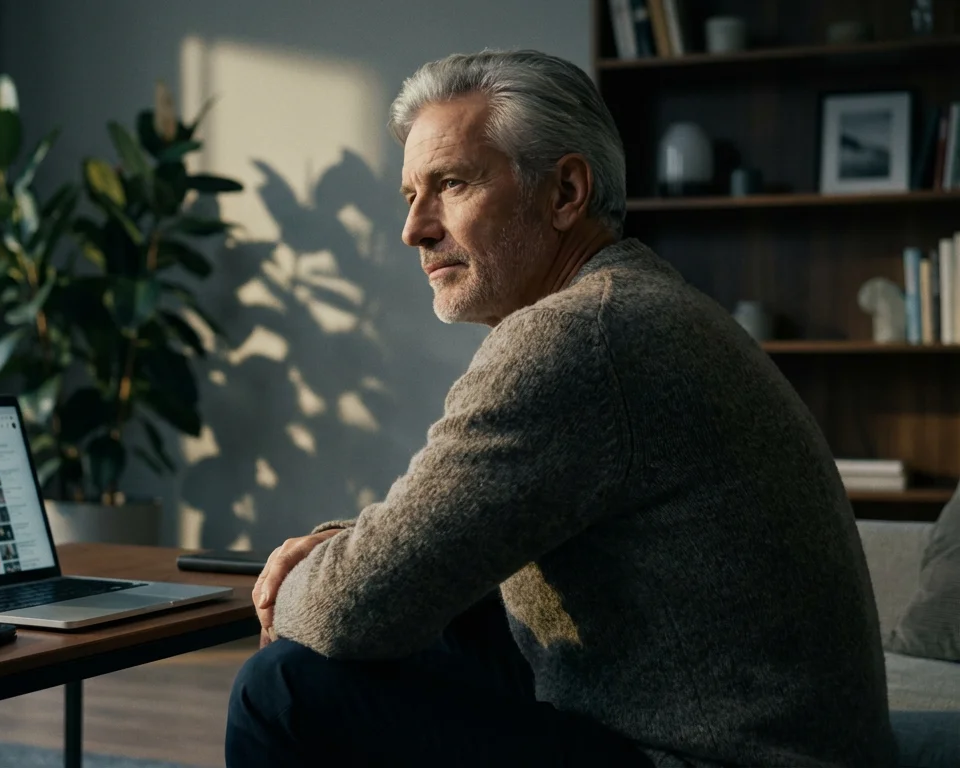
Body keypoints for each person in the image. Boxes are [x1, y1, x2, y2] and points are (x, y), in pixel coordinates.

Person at [226, 50, 896, 768]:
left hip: (721, 758)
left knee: (284, 688)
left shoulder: (578, 335)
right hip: (762, 736)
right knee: (451, 620)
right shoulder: (634, 303)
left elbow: (349, 608)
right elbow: (446, 543)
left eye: (452, 184)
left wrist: (301, 577)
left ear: (566, 191)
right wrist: (345, 555)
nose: (414, 229)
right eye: (411, 195)